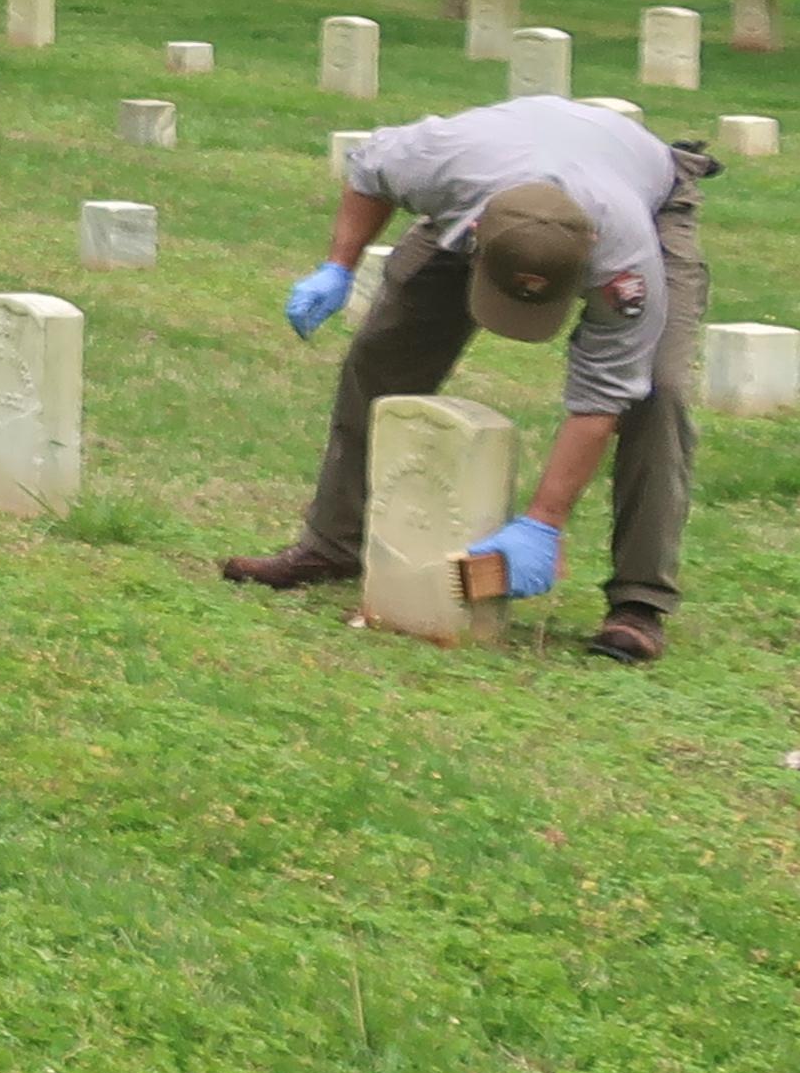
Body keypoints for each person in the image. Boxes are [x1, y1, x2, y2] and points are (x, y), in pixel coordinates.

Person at [227, 94, 710, 663]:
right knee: (382, 355)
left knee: (658, 391)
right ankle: (332, 545)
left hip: (642, 194)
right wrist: (339, 265)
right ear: (475, 234)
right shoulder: (436, 162)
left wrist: (543, 523)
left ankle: (639, 601)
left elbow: (602, 397)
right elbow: (367, 172)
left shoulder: (624, 259)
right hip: (499, 186)